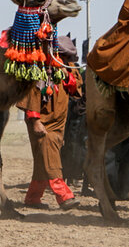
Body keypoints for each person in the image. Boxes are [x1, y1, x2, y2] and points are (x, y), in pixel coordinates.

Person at [17, 37, 81, 210]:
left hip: (59, 124)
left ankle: (32, 198)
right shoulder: (39, 68)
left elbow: (77, 89)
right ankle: (64, 196)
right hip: (42, 124)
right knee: (50, 159)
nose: (65, 59)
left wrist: (68, 75)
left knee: (42, 160)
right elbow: (31, 95)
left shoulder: (68, 68)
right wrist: (35, 121)